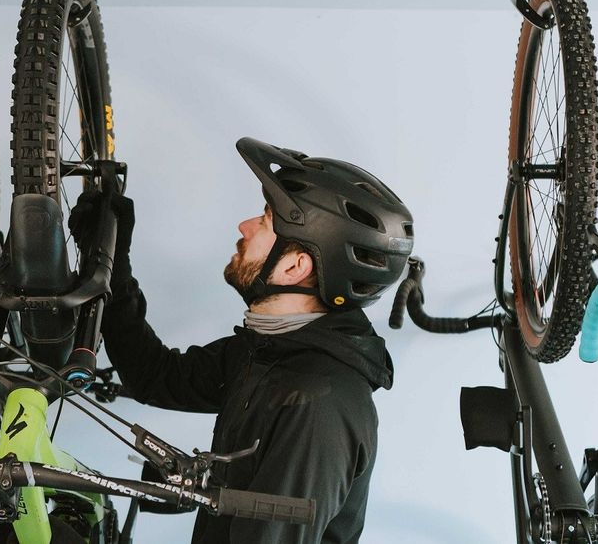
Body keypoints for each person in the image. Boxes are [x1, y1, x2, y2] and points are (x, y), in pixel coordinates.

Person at [74, 137, 414, 543]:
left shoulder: (315, 404)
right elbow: (154, 374)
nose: (245, 226)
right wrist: (112, 261)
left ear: (293, 266)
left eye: (265, 220)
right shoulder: (273, 352)